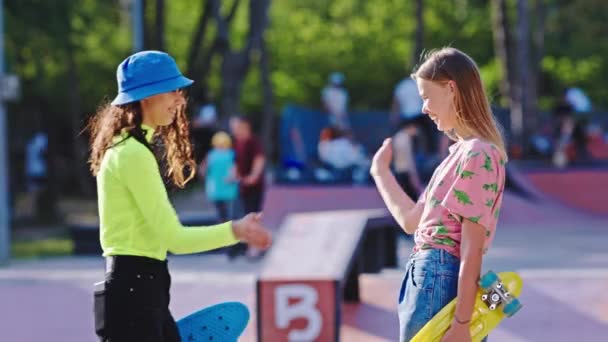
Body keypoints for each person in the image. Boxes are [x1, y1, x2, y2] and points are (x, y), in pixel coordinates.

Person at [87, 50, 272, 342]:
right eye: (172, 90)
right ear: (147, 96)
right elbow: (174, 239)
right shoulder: (132, 154)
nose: (179, 99)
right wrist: (235, 230)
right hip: (135, 292)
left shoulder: (130, 148)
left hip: (144, 288)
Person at [370, 47, 507, 341]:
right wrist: (381, 172)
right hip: (426, 273)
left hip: (438, 273)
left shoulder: (478, 154)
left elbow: (470, 251)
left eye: (426, 97)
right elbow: (410, 221)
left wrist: (461, 325)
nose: (423, 109)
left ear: (451, 89)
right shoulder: (457, 156)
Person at [227, 115, 266, 259]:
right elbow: (235, 163)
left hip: (254, 187)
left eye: (236, 127)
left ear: (245, 126)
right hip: (242, 186)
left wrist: (254, 176)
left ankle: (255, 247)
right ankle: (244, 246)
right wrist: (232, 175)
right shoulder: (237, 142)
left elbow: (259, 160)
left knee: (253, 216)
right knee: (241, 216)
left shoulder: (253, 142)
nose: (234, 130)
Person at [200, 131, 239, 222]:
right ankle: (230, 231)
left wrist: (206, 178)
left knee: (221, 214)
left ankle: (223, 231)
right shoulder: (232, 154)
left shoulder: (211, 155)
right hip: (229, 189)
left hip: (214, 189)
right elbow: (235, 169)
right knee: (230, 214)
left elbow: (202, 170)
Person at [392, 116, 423, 200]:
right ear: (411, 127)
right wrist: (413, 173)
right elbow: (408, 157)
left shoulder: (398, 136)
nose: (417, 131)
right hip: (405, 171)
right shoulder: (405, 138)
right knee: (412, 197)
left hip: (398, 169)